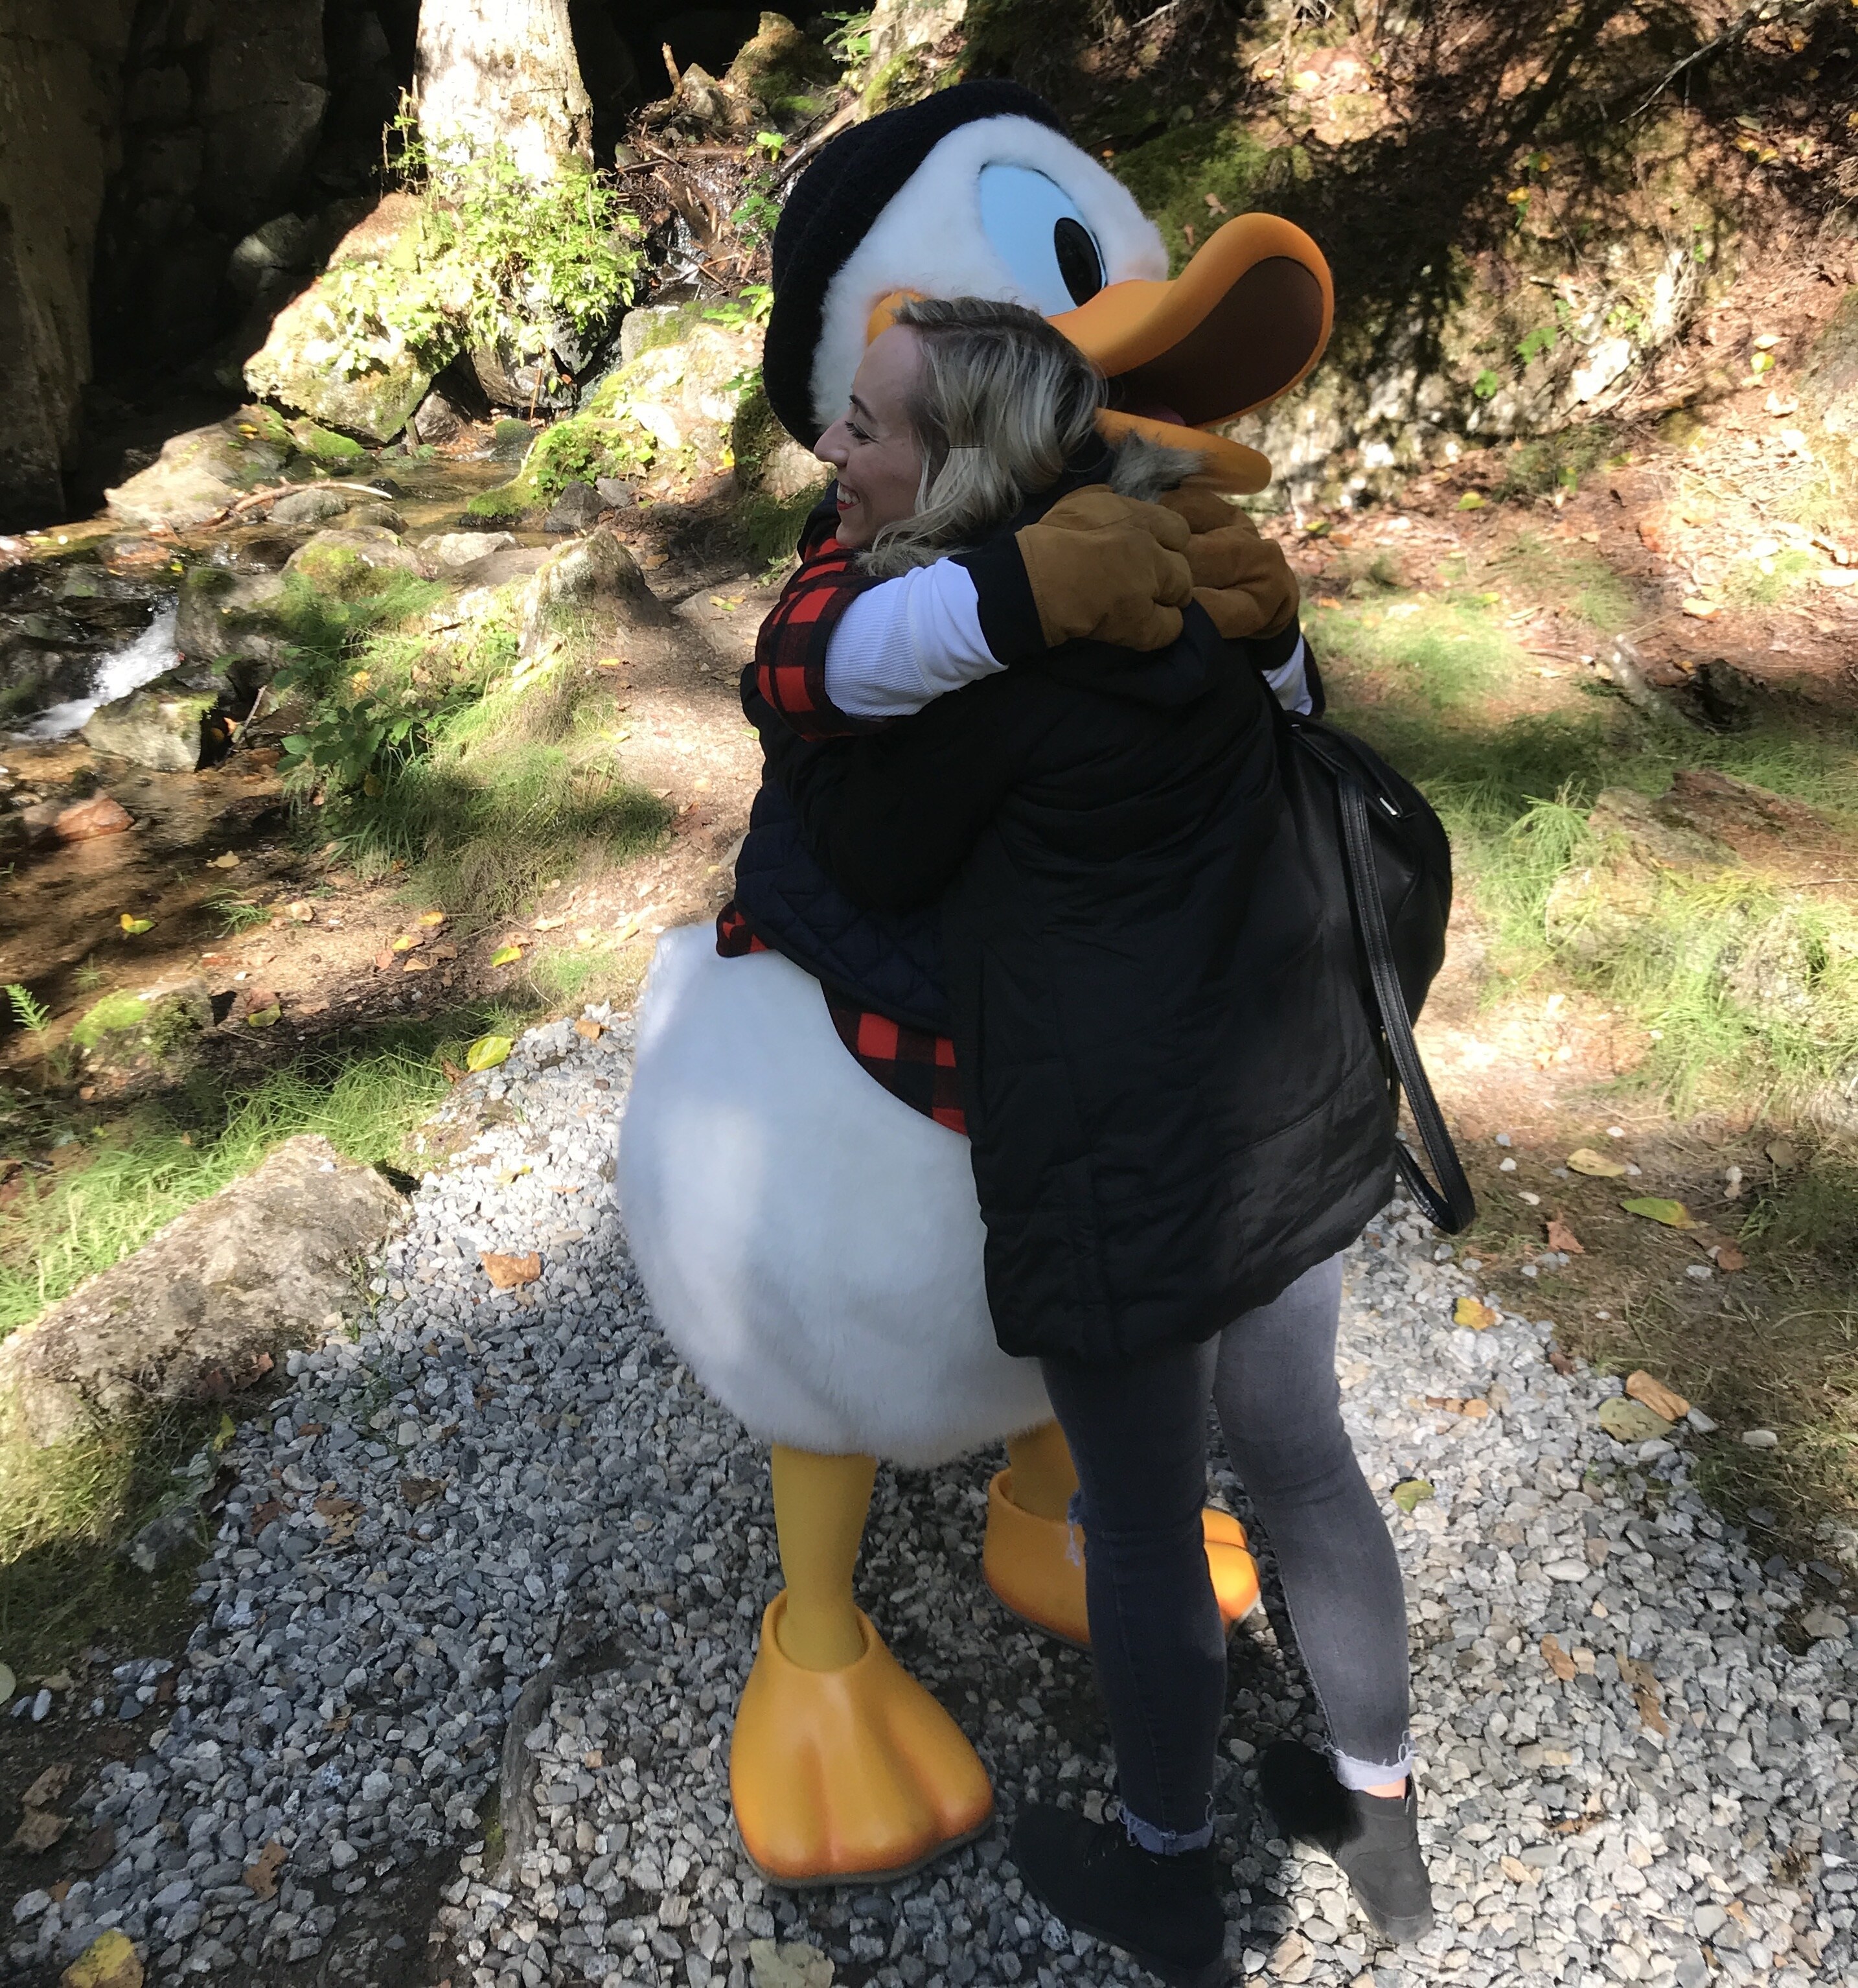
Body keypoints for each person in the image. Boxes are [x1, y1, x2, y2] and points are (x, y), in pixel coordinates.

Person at [750, 297, 1432, 1983]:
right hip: (1284, 1113)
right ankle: (1381, 1829)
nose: (830, 450)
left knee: (1136, 1519)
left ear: (962, 462)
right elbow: (1292, 695)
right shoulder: (1182, 609)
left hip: (1134, 1169)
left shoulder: (967, 691)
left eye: (868, 425)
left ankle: (1164, 1876)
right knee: (1300, 1457)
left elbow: (851, 830)